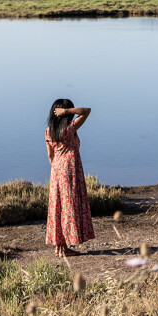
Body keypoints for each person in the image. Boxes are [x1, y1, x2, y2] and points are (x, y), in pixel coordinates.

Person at [45, 99, 94, 258]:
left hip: (56, 171)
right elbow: (87, 110)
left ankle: (59, 247)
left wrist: (57, 169)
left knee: (57, 207)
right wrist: (67, 111)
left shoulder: (48, 131)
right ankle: (64, 248)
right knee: (67, 207)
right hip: (69, 170)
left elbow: (50, 156)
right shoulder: (69, 129)